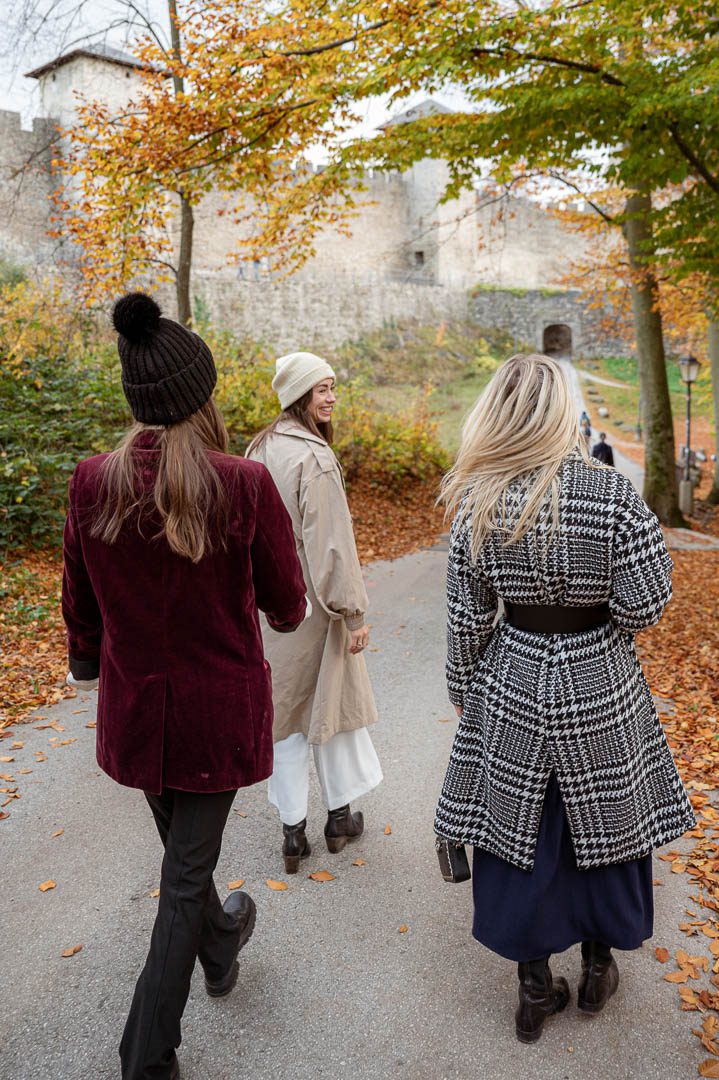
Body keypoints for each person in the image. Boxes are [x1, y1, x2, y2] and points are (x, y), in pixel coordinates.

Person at [62, 293, 308, 1080]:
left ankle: (223, 940)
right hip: (216, 716)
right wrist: (280, 608)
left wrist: (87, 663)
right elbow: (287, 603)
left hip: (136, 712)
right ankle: (146, 1054)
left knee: (185, 866)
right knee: (183, 878)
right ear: (201, 394)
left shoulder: (91, 481)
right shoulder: (242, 484)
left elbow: (80, 601)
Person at [434, 353, 694, 1045]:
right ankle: (598, 968)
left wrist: (464, 689)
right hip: (600, 680)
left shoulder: (477, 500)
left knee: (517, 828)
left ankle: (531, 989)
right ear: (560, 413)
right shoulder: (611, 495)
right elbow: (643, 605)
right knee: (604, 826)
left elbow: (466, 619)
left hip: (513, 678)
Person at [247, 352, 382, 873]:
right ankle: (338, 819)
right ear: (299, 396)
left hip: (269, 609)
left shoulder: (259, 448)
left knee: (286, 716)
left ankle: (292, 833)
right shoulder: (315, 459)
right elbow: (331, 548)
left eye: (332, 387)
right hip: (315, 609)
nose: (332, 398)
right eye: (322, 389)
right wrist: (352, 613)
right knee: (330, 711)